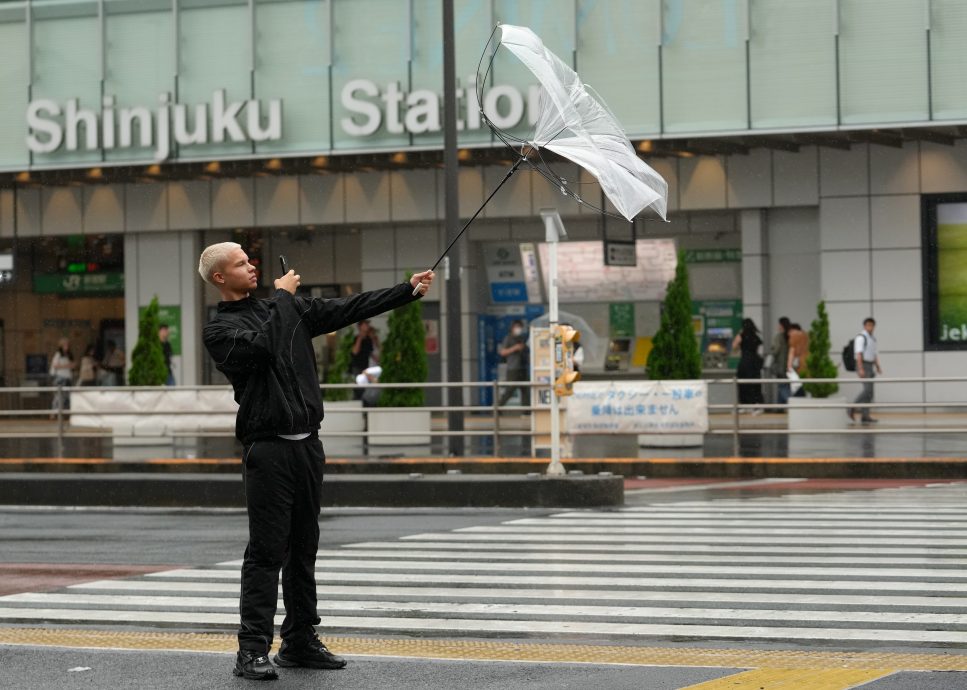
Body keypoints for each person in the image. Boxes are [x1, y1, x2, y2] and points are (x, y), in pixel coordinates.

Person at [198, 241, 433, 681]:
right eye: (241, 264)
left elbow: (344, 308)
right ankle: (251, 650)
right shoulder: (219, 332)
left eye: (250, 261)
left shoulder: (284, 310)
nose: (252, 268)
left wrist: (406, 290)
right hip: (266, 450)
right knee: (267, 552)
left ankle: (300, 640)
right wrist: (284, 297)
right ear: (219, 278)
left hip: (307, 445)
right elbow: (263, 349)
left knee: (304, 549)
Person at [849, 317, 881, 423]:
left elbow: (874, 353)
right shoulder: (861, 337)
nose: (870, 327)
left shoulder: (872, 338)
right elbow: (859, 353)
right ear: (864, 326)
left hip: (870, 365)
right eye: (868, 325)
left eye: (872, 325)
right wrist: (861, 368)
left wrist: (877, 366)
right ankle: (851, 407)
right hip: (863, 364)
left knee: (870, 393)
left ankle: (865, 415)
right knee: (867, 390)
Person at [732, 318, 764, 414]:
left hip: (745, 362)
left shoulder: (742, 335)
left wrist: (739, 335)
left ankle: (743, 405)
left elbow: (734, 346)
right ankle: (756, 405)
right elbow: (757, 349)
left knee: (742, 383)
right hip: (754, 362)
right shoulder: (755, 336)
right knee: (755, 384)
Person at [497, 319, 529, 407]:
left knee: (526, 390)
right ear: (512, 328)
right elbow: (502, 352)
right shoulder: (508, 338)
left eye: (520, 327)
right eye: (516, 327)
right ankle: (498, 407)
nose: (518, 329)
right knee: (510, 389)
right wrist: (514, 348)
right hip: (513, 368)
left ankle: (526, 411)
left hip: (523, 367)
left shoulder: (523, 338)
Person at [49, 337, 75, 412]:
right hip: (60, 377)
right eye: (65, 345)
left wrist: (72, 365)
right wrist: (68, 365)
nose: (67, 346)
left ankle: (63, 413)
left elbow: (72, 365)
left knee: (67, 396)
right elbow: (55, 365)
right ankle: (54, 412)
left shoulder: (68, 355)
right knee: (59, 396)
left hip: (68, 377)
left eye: (67, 345)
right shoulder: (58, 354)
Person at [770, 317, 791, 405]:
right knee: (783, 386)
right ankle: (779, 407)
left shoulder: (779, 336)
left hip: (780, 366)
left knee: (782, 386)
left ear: (781, 325)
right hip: (789, 365)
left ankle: (791, 402)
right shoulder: (790, 335)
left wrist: (771, 350)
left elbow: (775, 350)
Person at [786, 323, 809, 397]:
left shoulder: (794, 336)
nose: (789, 334)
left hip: (800, 365)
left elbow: (791, 353)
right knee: (807, 386)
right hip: (809, 364)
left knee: (798, 387)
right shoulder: (806, 335)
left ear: (792, 330)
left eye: (789, 332)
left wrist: (789, 367)